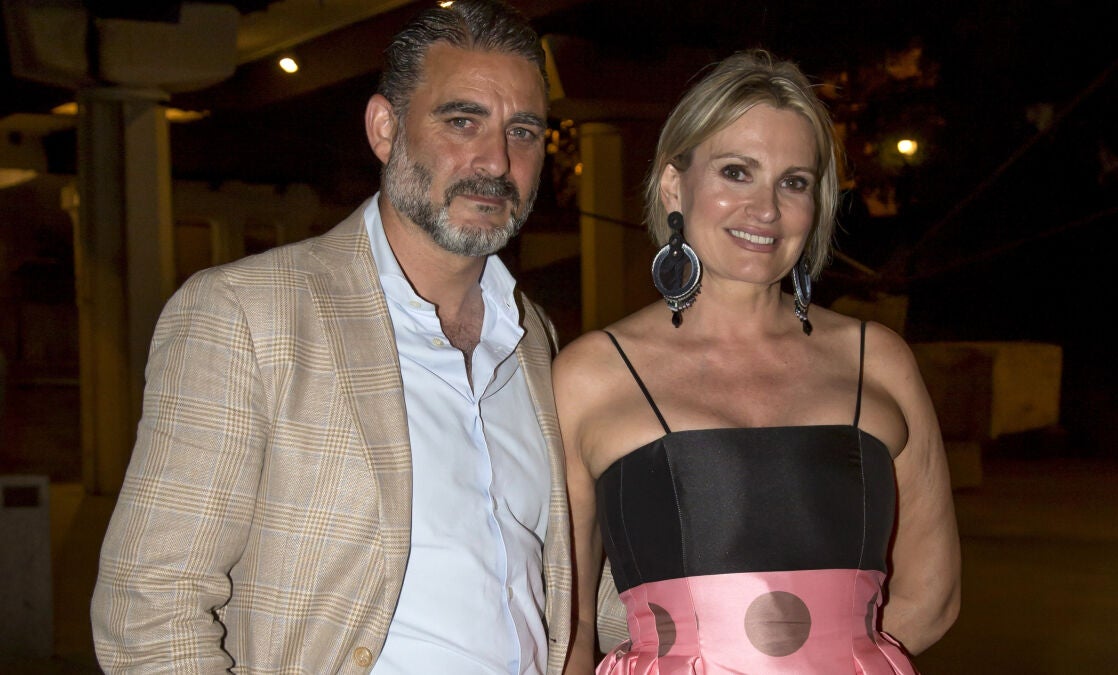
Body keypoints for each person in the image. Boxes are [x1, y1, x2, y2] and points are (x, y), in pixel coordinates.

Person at [91, 1, 572, 672]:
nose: (495, 160)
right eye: (462, 121)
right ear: (385, 129)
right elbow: (149, 607)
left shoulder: (533, 336)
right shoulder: (247, 315)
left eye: (522, 131)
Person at [555, 50, 960, 674]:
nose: (766, 209)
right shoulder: (590, 375)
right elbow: (570, 624)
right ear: (674, 186)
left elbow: (931, 597)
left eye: (793, 182)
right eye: (736, 172)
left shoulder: (877, 360)